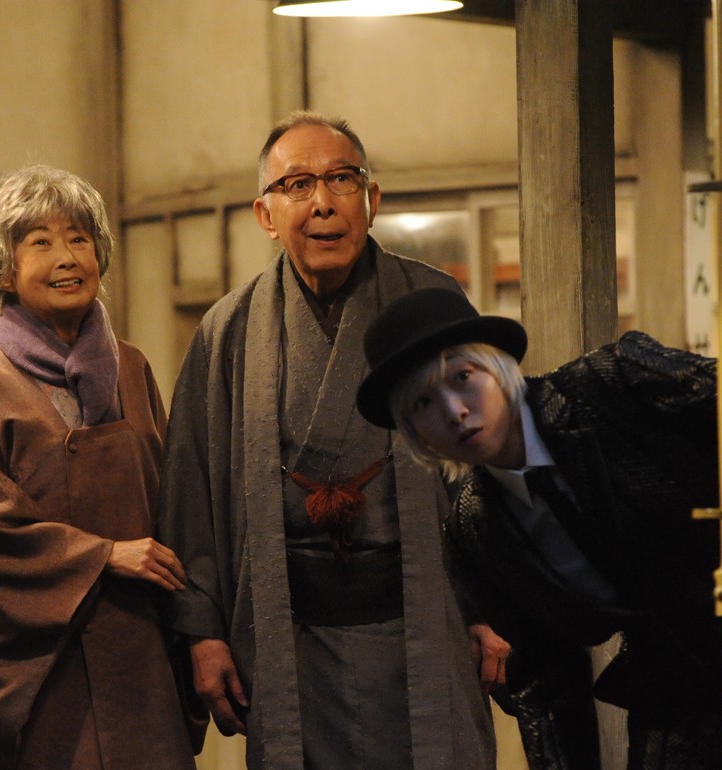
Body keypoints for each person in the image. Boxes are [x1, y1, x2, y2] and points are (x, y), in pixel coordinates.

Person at [156, 112, 496, 770]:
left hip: (425, 623)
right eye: (298, 184)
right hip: (291, 639)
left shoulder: (433, 302)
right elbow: (191, 489)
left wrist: (499, 604)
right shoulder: (228, 331)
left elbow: (493, 466)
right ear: (265, 213)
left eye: (341, 179)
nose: (321, 203)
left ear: (372, 199)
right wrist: (201, 633)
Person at [356, 287, 722, 770]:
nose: (454, 411)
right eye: (423, 404)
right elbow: (546, 683)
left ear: (499, 366)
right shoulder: (475, 527)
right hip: (680, 696)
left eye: (463, 378)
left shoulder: (607, 381)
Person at [0, 164, 200, 770]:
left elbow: (176, 501)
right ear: (3, 269)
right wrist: (103, 555)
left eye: (79, 239)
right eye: (41, 241)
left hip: (141, 656)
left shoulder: (133, 369)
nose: (67, 256)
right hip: (42, 669)